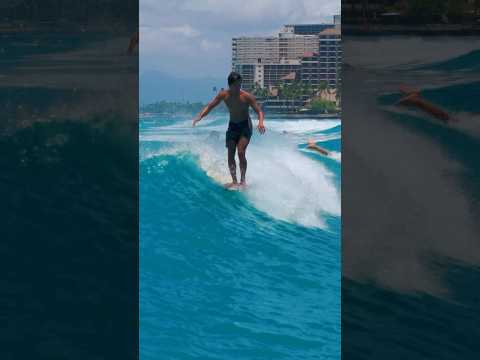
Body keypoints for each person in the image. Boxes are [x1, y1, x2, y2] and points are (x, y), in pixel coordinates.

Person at [193, 72, 266, 189]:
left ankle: (243, 181)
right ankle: (234, 181)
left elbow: (259, 111)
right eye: (236, 85)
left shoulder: (247, 97)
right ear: (230, 85)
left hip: (245, 126)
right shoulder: (223, 95)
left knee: (241, 152)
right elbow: (210, 106)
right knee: (230, 154)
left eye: (240, 85)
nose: (238, 88)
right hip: (232, 126)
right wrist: (200, 116)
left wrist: (261, 122)